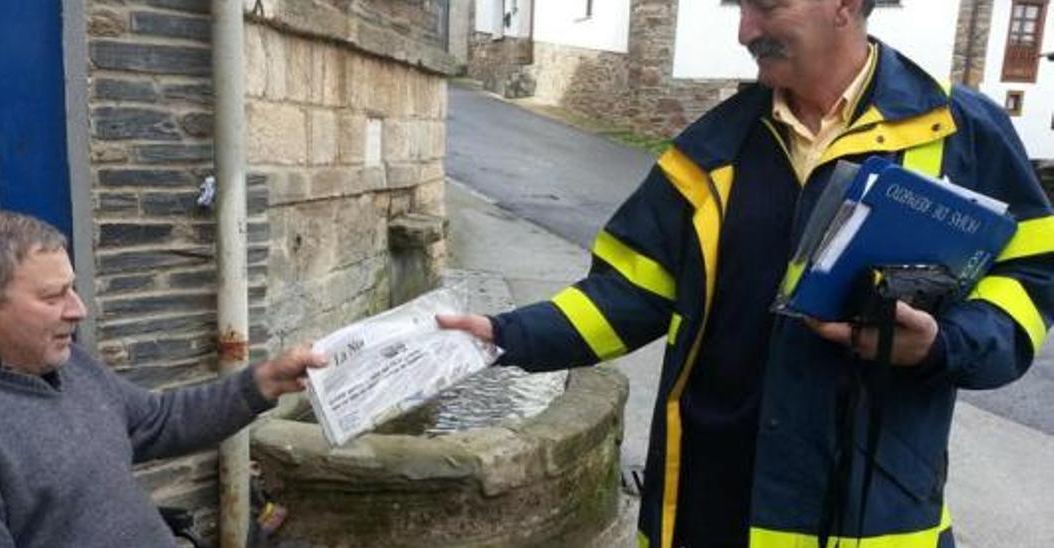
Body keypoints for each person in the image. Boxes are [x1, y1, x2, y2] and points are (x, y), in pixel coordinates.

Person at [440, 1, 1053, 547]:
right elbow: (628, 292)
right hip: (713, 507)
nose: (744, 30)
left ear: (844, 6)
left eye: (765, 7)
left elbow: (1032, 273)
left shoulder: (961, 131)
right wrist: (502, 334)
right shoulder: (710, 149)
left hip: (874, 510)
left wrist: (943, 346)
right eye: (739, 8)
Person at [0, 211, 325, 547]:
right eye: (54, 295)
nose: (77, 310)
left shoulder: (63, 363)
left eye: (72, 288)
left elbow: (156, 421)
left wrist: (263, 381)